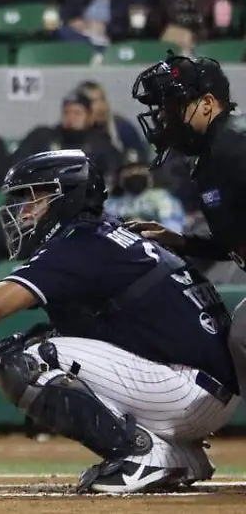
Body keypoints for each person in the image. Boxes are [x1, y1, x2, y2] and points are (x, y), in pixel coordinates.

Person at [0, 150, 238, 493]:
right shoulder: (107, 234)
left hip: (184, 389)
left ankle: (139, 454)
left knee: (22, 359)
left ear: (66, 197)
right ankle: (178, 455)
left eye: (35, 198)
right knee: (48, 336)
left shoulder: (82, 244)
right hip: (202, 388)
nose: (24, 210)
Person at [129, 54, 246, 398]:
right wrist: (179, 241)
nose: (164, 116)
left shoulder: (235, 145)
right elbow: (233, 242)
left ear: (208, 103)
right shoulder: (216, 151)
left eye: (174, 105)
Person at [14, 91, 123, 180]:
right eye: (67, 113)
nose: (71, 118)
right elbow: (18, 165)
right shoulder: (44, 137)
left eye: (77, 113)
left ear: (89, 117)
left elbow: (114, 170)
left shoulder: (99, 143)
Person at [105, 149, 185, 235]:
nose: (135, 172)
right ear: (119, 175)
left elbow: (174, 226)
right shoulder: (110, 202)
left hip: (154, 242)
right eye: (129, 168)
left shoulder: (162, 198)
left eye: (140, 167)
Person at [76, 80, 148, 155]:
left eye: (102, 99)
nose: (100, 106)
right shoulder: (74, 131)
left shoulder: (122, 128)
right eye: (93, 101)